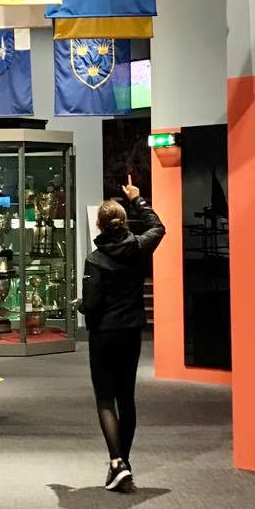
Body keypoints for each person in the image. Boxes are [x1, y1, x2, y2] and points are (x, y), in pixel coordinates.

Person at [78, 180, 166, 492]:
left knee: (105, 398)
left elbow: (90, 305)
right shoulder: (141, 246)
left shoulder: (95, 259)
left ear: (99, 224)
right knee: (126, 398)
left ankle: (116, 461)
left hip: (103, 333)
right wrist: (138, 198)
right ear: (124, 221)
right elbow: (159, 226)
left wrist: (79, 304)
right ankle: (123, 466)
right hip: (131, 332)